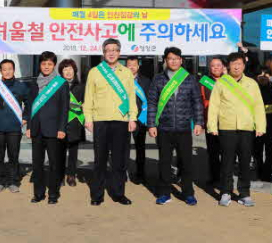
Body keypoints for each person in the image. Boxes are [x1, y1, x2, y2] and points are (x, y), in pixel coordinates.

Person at [207, 52, 266, 208]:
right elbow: (214, 105)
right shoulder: (221, 83)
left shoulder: (252, 83)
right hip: (227, 127)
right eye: (233, 64)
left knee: (245, 162)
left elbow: (258, 106)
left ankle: (244, 193)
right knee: (227, 162)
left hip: (246, 128)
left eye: (239, 64)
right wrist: (212, 126)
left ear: (244, 66)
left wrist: (260, 126)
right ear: (228, 66)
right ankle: (225, 192)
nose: (236, 67)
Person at [147, 47, 204, 206]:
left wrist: (198, 122)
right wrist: (151, 124)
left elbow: (197, 102)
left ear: (181, 60)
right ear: (165, 60)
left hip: (184, 128)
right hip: (164, 128)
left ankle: (188, 193)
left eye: (176, 58)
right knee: (164, 162)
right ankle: (164, 193)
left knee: (186, 162)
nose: (173, 61)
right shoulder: (158, 79)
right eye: (170, 58)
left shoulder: (189, 79)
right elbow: (152, 103)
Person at [84, 38, 138, 206]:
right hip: (100, 120)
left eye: (115, 50)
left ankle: (118, 193)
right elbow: (89, 97)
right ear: (103, 53)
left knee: (119, 161)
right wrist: (88, 119)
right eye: (108, 50)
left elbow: (131, 97)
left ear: (119, 53)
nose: (111, 53)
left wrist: (133, 117)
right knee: (100, 160)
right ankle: (97, 195)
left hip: (121, 121)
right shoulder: (95, 72)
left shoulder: (126, 72)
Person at [24, 51, 69, 204]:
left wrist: (62, 128)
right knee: (37, 164)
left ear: (54, 65)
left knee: (54, 164)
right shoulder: (34, 83)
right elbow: (30, 106)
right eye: (43, 64)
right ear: (40, 65)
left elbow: (64, 108)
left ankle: (53, 195)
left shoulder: (61, 83)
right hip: (36, 129)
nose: (46, 67)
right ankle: (38, 194)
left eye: (49, 64)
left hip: (54, 130)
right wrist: (29, 126)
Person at [0, 59, 30, 193]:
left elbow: (28, 104)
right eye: (4, 69)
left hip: (14, 128)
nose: (7, 71)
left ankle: (13, 181)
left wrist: (25, 118)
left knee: (13, 156)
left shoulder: (21, 86)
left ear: (14, 70)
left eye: (10, 69)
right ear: (1, 71)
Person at [253, 66, 272, 182]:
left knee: (270, 152)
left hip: (271, 125)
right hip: (256, 126)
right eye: (260, 74)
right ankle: (258, 171)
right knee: (257, 151)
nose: (263, 77)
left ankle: (268, 173)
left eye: (266, 74)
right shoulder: (252, 90)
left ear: (270, 76)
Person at [58, 59, 86, 187]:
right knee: (60, 151)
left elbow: (86, 103)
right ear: (61, 72)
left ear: (74, 70)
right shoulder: (57, 86)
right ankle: (59, 176)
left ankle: (71, 175)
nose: (68, 72)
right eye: (65, 69)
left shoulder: (81, 87)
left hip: (75, 122)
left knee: (73, 151)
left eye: (70, 69)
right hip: (61, 123)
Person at [199, 57, 225, 186]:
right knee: (213, 152)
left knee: (227, 152)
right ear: (210, 68)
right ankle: (215, 178)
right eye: (213, 66)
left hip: (227, 122)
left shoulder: (229, 81)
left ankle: (226, 178)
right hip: (211, 121)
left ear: (223, 67)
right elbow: (200, 101)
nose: (216, 68)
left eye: (218, 65)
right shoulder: (204, 82)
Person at [125, 56, 151, 184]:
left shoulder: (146, 81)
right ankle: (123, 172)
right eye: (129, 65)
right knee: (123, 147)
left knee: (140, 147)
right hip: (124, 117)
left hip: (140, 119)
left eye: (134, 65)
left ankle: (140, 173)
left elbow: (150, 99)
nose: (132, 67)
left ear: (138, 66)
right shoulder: (120, 80)